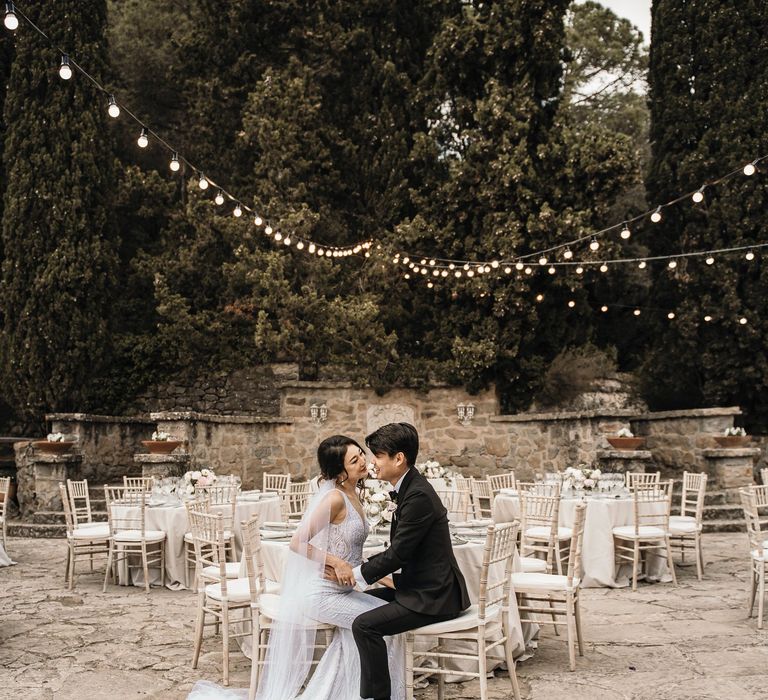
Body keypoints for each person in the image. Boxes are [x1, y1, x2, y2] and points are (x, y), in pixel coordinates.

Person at [188, 434, 404, 700]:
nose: (363, 461)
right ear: (339, 472)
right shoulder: (334, 499)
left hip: (344, 591)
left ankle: (347, 693)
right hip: (321, 595)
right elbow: (297, 542)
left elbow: (354, 557)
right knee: (384, 626)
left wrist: (383, 578)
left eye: (361, 454)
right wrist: (334, 562)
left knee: (382, 622)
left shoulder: (355, 493)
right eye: (354, 460)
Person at [344, 422, 470, 700]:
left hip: (435, 595)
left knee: (364, 625)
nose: (373, 462)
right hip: (419, 585)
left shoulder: (418, 496)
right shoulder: (411, 487)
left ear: (398, 459)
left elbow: (398, 554)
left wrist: (357, 575)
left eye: (377, 456)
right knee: (361, 604)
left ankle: (379, 698)